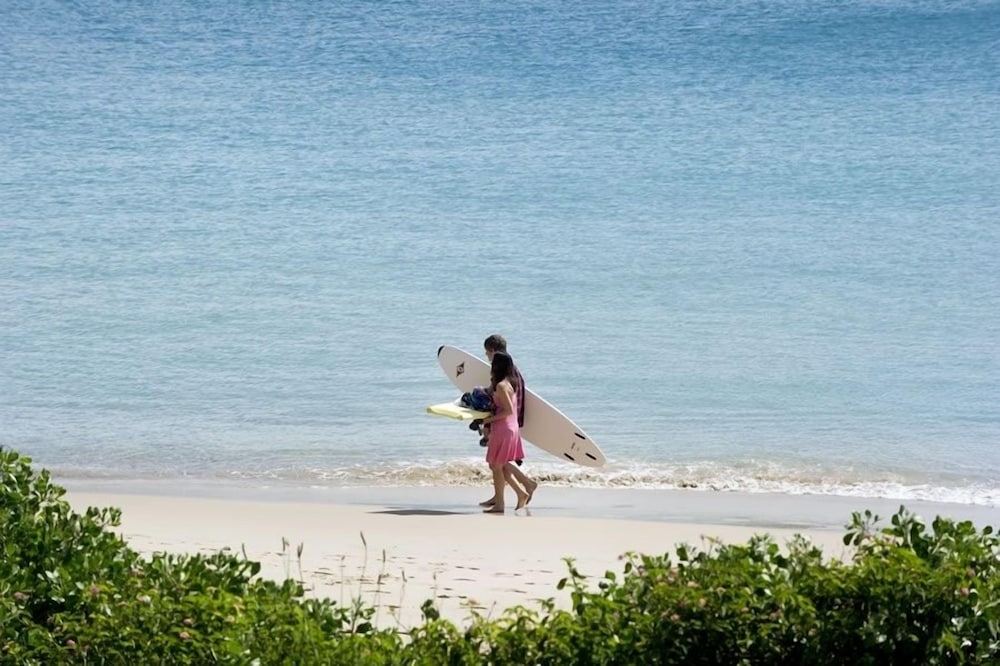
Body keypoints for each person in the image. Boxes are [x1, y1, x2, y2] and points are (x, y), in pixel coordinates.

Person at [480, 351, 537, 513]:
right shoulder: (510, 382)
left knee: (496, 466)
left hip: (503, 428)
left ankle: (501, 504)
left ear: (496, 366)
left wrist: (487, 421)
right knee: (498, 464)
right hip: (510, 428)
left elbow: (508, 410)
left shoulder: (501, 385)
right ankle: (522, 491)